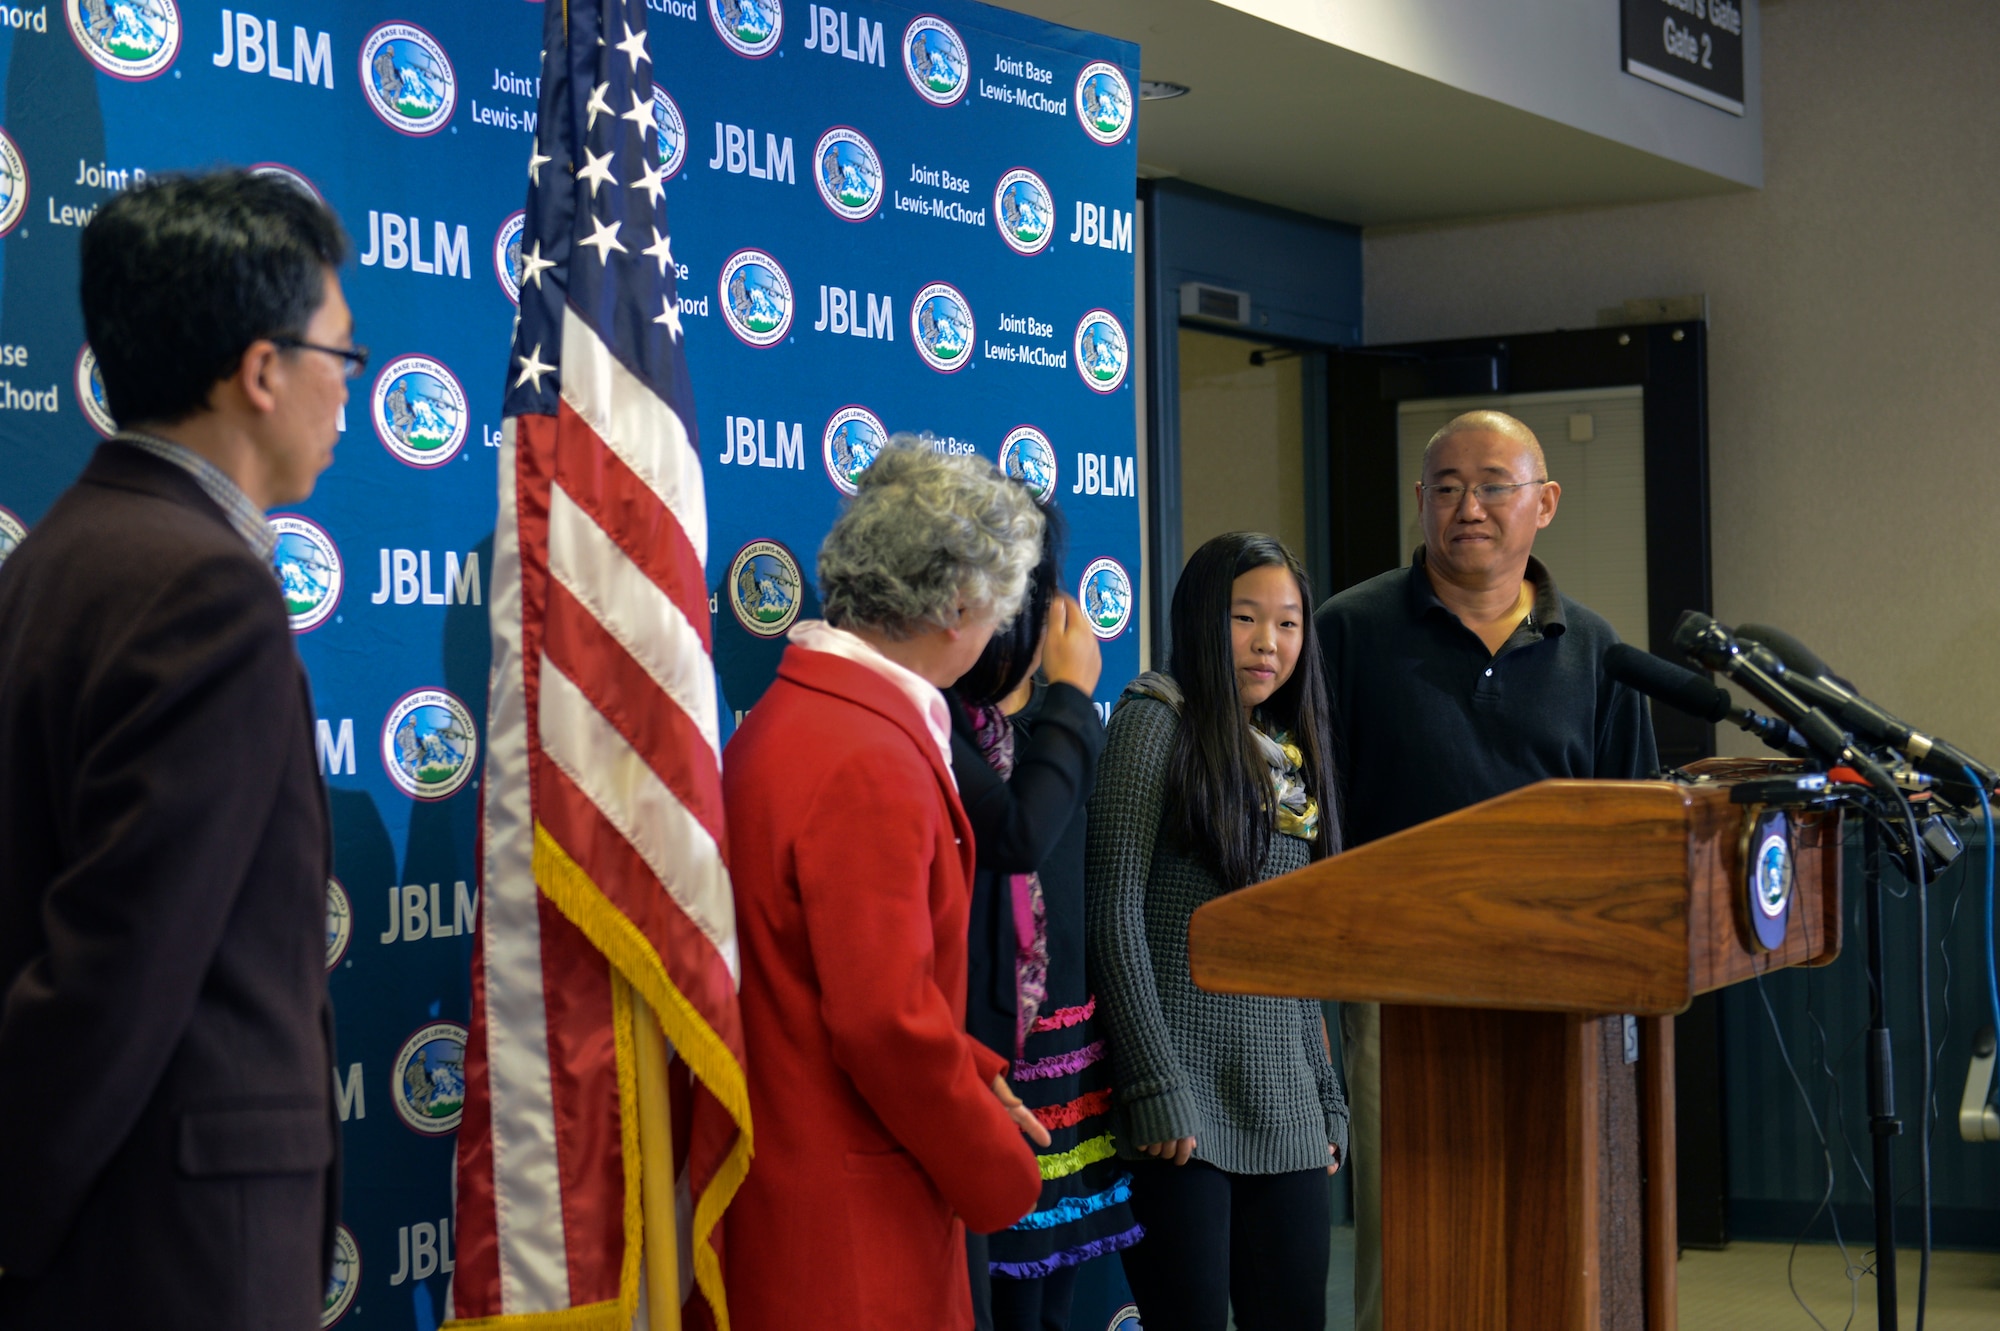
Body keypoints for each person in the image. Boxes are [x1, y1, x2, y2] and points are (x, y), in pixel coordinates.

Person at [0, 171, 354, 1327]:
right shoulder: (208, 590)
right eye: (339, 359)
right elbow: (116, 971)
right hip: (174, 1252)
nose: (348, 398)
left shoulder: (51, 560)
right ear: (261, 371)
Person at [1314, 410, 1657, 1331]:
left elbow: (1635, 820)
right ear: (1420, 502)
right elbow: (1313, 810)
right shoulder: (1346, 631)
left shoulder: (1594, 647)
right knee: (1414, 1229)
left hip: (1561, 985)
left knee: (1556, 1221)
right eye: (1448, 487)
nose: (1470, 506)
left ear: (1543, 504)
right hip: (1401, 984)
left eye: (1494, 485)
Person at [719, 440, 1050, 1331]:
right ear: (955, 603)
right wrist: (999, 1167)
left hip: (797, 1185)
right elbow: (882, 1021)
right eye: (998, 608)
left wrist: (973, 1075)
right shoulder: (867, 754)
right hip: (848, 1229)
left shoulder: (799, 716)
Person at [1088, 531, 1347, 1331]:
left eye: (1288, 623)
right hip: (1180, 1111)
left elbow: (1286, 948)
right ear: (1204, 617)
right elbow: (1113, 908)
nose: (1268, 643)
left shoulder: (1292, 751)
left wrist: (1326, 1092)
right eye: (1244, 618)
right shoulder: (1154, 719)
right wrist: (1153, 1083)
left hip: (1289, 1110)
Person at [948, 507, 1140, 1331]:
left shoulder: (1052, 723)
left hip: (1067, 1032)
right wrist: (1069, 691)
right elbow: (1018, 833)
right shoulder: (947, 720)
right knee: (1005, 1287)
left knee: (1058, 1291)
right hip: (988, 1040)